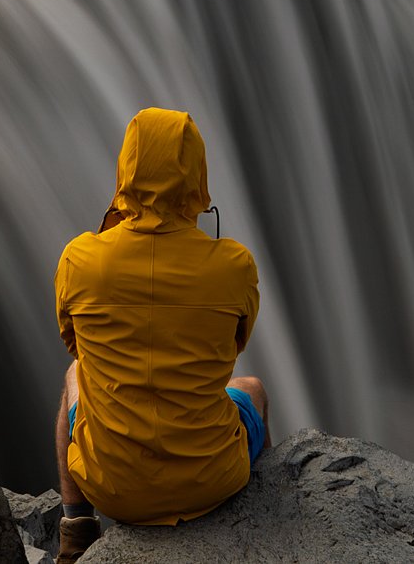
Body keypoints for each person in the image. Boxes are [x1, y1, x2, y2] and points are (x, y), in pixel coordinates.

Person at [54, 108, 266, 561]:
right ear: (198, 176)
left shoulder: (80, 259)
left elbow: (77, 345)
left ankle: (76, 532)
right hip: (215, 481)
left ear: (125, 168)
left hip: (112, 489)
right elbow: (235, 345)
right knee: (251, 388)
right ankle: (254, 527)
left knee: (76, 374)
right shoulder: (234, 264)